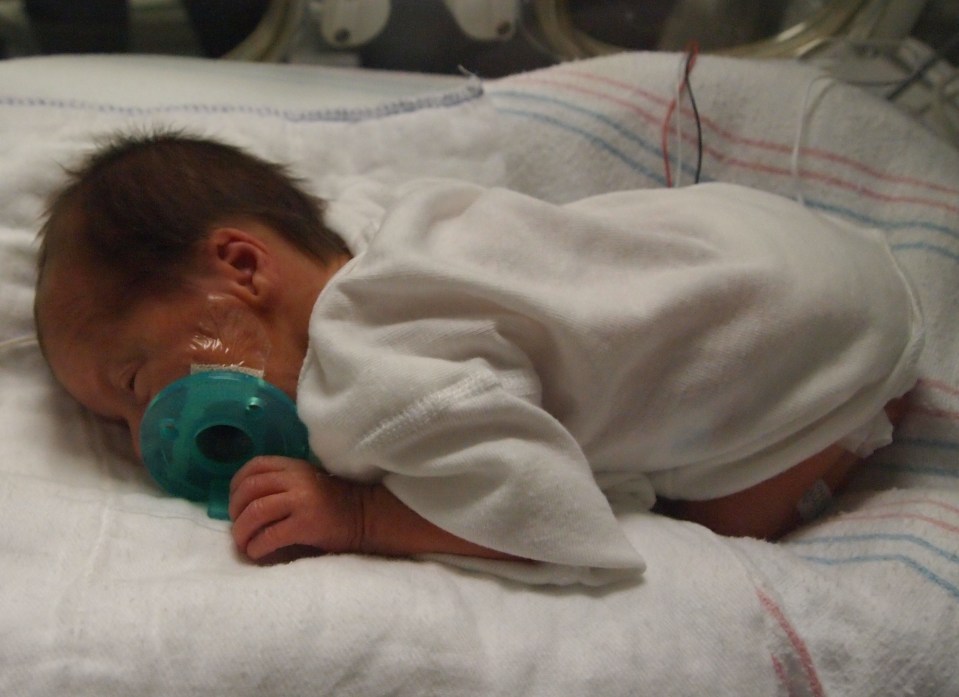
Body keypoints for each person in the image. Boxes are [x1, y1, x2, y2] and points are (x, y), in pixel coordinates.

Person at [33, 132, 923, 582]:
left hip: (820, 350)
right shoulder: (379, 226)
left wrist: (360, 516)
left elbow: (561, 526)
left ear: (241, 264)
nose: (144, 437)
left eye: (135, 383)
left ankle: (854, 429)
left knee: (710, 523)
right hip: (773, 249)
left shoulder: (373, 383)